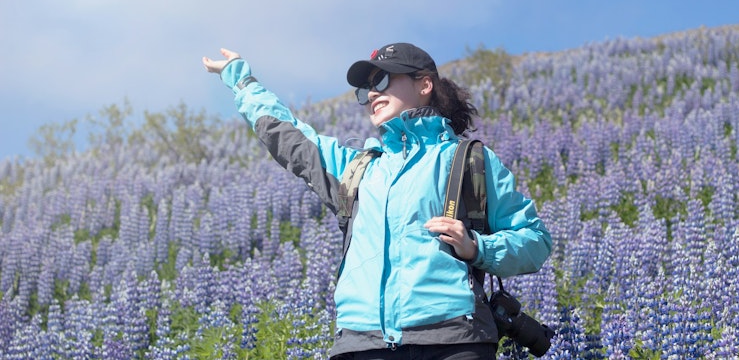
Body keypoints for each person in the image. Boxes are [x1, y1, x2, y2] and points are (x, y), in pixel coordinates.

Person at [202, 43, 552, 359]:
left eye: (381, 80)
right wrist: (241, 80)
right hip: (362, 342)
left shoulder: (469, 160)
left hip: (453, 340)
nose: (371, 93)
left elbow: (534, 241)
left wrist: (476, 248)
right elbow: (289, 134)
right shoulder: (357, 168)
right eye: (364, 89)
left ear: (424, 84)